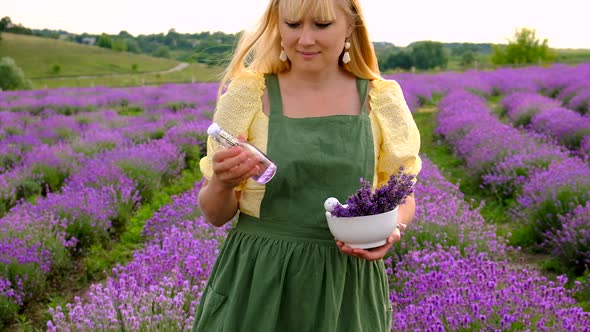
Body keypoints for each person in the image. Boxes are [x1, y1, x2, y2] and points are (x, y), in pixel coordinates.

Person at [194, 0, 421, 330]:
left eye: (322, 25)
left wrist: (393, 229)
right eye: (293, 24)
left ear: (350, 26)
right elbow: (215, 215)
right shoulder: (248, 96)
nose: (305, 39)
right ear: (278, 26)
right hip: (259, 279)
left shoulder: (381, 99)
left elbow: (401, 193)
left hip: (347, 284)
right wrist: (223, 183)